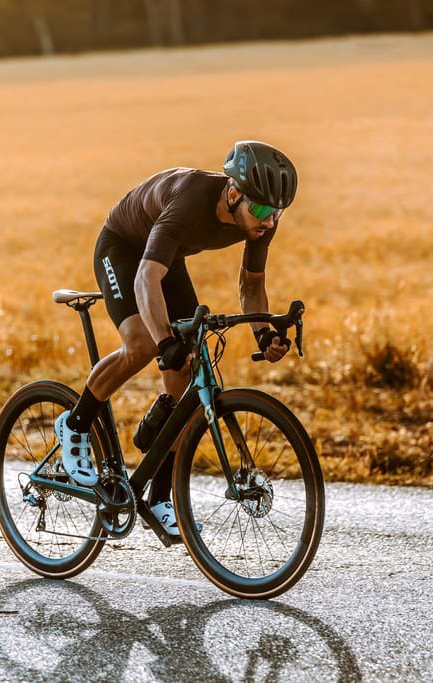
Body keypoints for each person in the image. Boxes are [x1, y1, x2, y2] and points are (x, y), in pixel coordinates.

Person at [54, 140, 298, 535]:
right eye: (261, 211)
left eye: (277, 213)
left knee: (187, 375)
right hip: (123, 249)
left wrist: (264, 334)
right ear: (233, 194)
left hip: (167, 256)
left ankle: (159, 496)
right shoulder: (189, 200)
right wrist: (164, 341)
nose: (268, 222)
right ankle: (76, 424)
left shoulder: (260, 220)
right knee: (143, 344)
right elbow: (145, 278)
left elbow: (251, 285)